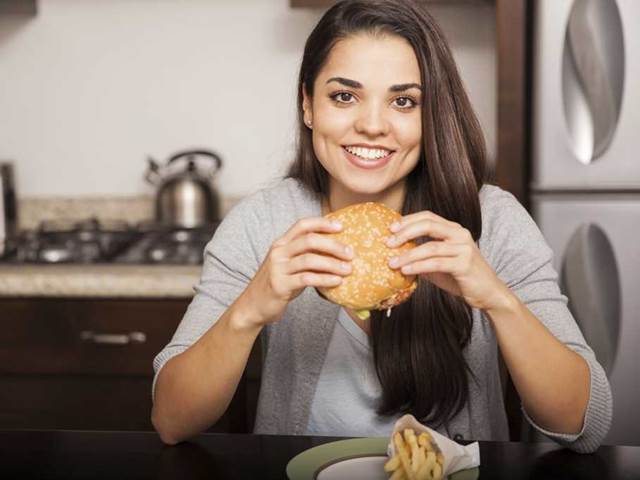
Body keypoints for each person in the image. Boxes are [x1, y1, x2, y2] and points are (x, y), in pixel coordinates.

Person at [151, 0, 612, 453]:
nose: (372, 125)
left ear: (430, 116)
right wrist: (248, 311)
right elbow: (171, 420)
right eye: (344, 96)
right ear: (308, 105)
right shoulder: (262, 222)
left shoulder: (491, 220)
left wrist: (496, 298)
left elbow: (584, 426)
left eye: (404, 101)